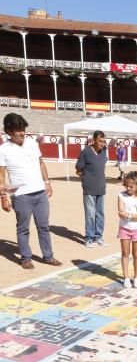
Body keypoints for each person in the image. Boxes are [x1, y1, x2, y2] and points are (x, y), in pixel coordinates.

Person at [0, 113, 62, 270]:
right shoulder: (3, 149)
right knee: (23, 228)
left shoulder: (32, 143)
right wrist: (3, 198)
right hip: (20, 195)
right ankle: (25, 258)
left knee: (44, 226)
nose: (22, 133)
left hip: (40, 193)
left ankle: (48, 256)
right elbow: (1, 174)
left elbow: (41, 163)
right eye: (18, 130)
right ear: (8, 131)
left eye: (23, 129)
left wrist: (47, 183)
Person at [76, 130, 108, 248]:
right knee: (90, 214)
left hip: (101, 187)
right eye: (100, 141)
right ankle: (89, 238)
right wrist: (86, 179)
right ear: (93, 140)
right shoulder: (85, 152)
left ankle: (98, 236)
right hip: (89, 188)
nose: (102, 144)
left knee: (100, 214)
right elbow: (78, 170)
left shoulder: (104, 151)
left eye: (104, 141)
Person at [117, 170, 137, 289]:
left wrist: (128, 216)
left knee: (136, 254)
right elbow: (121, 213)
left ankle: (136, 277)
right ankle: (126, 277)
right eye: (127, 185)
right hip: (124, 228)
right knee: (125, 253)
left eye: (131, 186)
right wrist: (133, 216)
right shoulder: (121, 195)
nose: (128, 188)